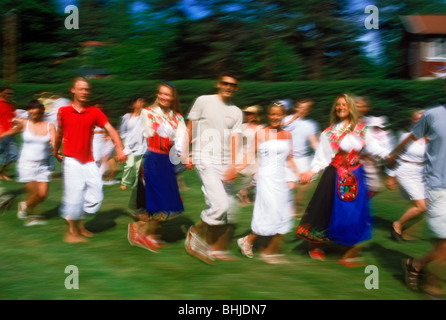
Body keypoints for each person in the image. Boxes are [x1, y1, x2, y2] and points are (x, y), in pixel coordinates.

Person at [296, 93, 391, 266]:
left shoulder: (362, 130)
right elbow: (322, 158)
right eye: (338, 105)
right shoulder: (330, 133)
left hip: (356, 176)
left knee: (353, 213)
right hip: (334, 176)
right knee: (326, 210)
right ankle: (315, 246)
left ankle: (346, 248)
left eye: (344, 105)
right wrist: (311, 172)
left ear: (351, 108)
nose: (340, 107)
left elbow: (375, 148)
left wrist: (388, 155)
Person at [54, 77, 126, 243]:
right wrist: (56, 150)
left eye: (87, 89)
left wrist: (119, 148)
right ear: (73, 90)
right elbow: (59, 133)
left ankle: (75, 218)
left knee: (96, 197)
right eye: (81, 89)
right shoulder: (63, 111)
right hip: (71, 160)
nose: (85, 92)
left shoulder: (95, 112)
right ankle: (72, 231)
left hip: (89, 161)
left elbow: (111, 129)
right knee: (75, 195)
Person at [184, 71, 243, 263]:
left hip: (225, 163)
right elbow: (189, 127)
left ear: (236, 89)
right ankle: (194, 232)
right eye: (225, 83)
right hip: (204, 158)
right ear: (218, 84)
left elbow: (236, 139)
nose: (228, 87)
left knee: (225, 209)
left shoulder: (237, 112)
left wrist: (233, 165)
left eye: (232, 85)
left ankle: (212, 248)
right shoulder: (203, 101)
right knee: (220, 205)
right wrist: (185, 154)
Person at [389, 97, 446, 297]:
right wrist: (393, 157)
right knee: (444, 243)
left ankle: (416, 264)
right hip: (438, 186)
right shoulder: (433, 115)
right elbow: (411, 137)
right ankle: (433, 285)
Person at [235, 103, 299, 264]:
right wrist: (235, 169)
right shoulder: (261, 133)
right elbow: (250, 154)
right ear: (268, 116)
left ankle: (268, 250)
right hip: (266, 178)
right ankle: (249, 241)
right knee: (268, 212)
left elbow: (289, 158)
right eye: (272, 114)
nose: (275, 117)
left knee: (282, 213)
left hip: (281, 178)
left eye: (279, 114)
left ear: (283, 115)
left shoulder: (287, 135)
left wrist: (298, 174)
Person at [127, 82, 186, 252]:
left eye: (168, 94)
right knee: (158, 201)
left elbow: (180, 141)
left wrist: (185, 154)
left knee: (166, 203)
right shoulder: (147, 113)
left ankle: (147, 233)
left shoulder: (178, 118)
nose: (164, 97)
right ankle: (144, 233)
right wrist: (171, 132)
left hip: (167, 161)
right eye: (162, 93)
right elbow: (150, 133)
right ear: (157, 94)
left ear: (173, 97)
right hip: (152, 158)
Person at [0, 99, 56, 226]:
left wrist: (56, 149)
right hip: (27, 164)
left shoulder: (50, 126)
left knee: (43, 195)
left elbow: (53, 141)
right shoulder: (25, 124)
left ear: (42, 111)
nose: (31, 114)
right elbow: (12, 131)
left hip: (43, 165)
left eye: (34, 111)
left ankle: (24, 206)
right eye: (30, 111)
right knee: (34, 194)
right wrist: (2, 136)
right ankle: (30, 217)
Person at [385, 109, 427, 241]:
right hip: (405, 171)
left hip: (421, 172)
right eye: (416, 119)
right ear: (412, 120)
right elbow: (395, 155)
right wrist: (390, 176)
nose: (420, 122)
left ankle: (407, 229)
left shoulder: (430, 137)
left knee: (426, 205)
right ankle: (397, 225)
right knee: (421, 206)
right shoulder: (406, 136)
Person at [283, 99, 320, 219]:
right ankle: (283, 209)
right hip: (287, 158)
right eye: (301, 107)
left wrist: (322, 154)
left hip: (303, 159)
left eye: (306, 108)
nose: (302, 110)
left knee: (304, 186)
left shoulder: (311, 124)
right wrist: (294, 118)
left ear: (309, 110)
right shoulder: (286, 120)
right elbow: (278, 128)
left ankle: (295, 209)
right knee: (290, 186)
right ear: (296, 107)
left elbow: (314, 142)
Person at [355, 96, 394, 198]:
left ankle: (361, 204)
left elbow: (372, 142)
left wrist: (386, 154)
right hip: (353, 159)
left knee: (375, 187)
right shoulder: (347, 121)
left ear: (367, 108)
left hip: (369, 159)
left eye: (363, 106)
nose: (361, 109)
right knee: (352, 187)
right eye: (358, 106)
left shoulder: (369, 121)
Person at [236, 105, 264, 205]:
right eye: (247, 114)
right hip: (243, 155)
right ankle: (243, 196)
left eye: (251, 114)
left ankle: (243, 192)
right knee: (248, 177)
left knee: (258, 178)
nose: (249, 116)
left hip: (257, 156)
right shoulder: (242, 127)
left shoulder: (261, 128)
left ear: (256, 115)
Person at [119, 96, 147, 190]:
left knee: (138, 168)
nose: (141, 103)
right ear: (134, 104)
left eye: (142, 102)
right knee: (129, 165)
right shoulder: (127, 117)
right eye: (139, 102)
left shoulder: (144, 117)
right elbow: (123, 132)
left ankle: (136, 185)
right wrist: (122, 147)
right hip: (129, 146)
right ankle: (125, 182)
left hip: (141, 146)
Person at [0, 85, 18, 181]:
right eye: (7, 93)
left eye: (10, 93)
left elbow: (13, 118)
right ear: (1, 93)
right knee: (1, 154)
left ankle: (3, 172)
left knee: (14, 154)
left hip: (11, 133)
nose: (9, 95)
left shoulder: (11, 105)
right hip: (1, 134)